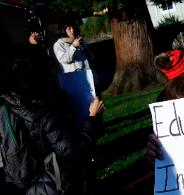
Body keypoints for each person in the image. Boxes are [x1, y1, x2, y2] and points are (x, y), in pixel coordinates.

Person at [0, 49, 105, 195]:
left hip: (31, 189)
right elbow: (74, 153)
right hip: (59, 186)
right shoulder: (44, 111)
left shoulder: (7, 107)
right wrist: (93, 118)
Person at [53, 20, 97, 128]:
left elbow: (90, 58)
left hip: (88, 77)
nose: (72, 30)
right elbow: (64, 59)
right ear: (63, 30)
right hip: (74, 80)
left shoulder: (77, 40)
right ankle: (84, 128)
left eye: (73, 27)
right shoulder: (58, 44)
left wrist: (83, 46)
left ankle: (97, 126)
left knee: (94, 103)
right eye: (68, 28)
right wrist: (73, 47)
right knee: (81, 107)